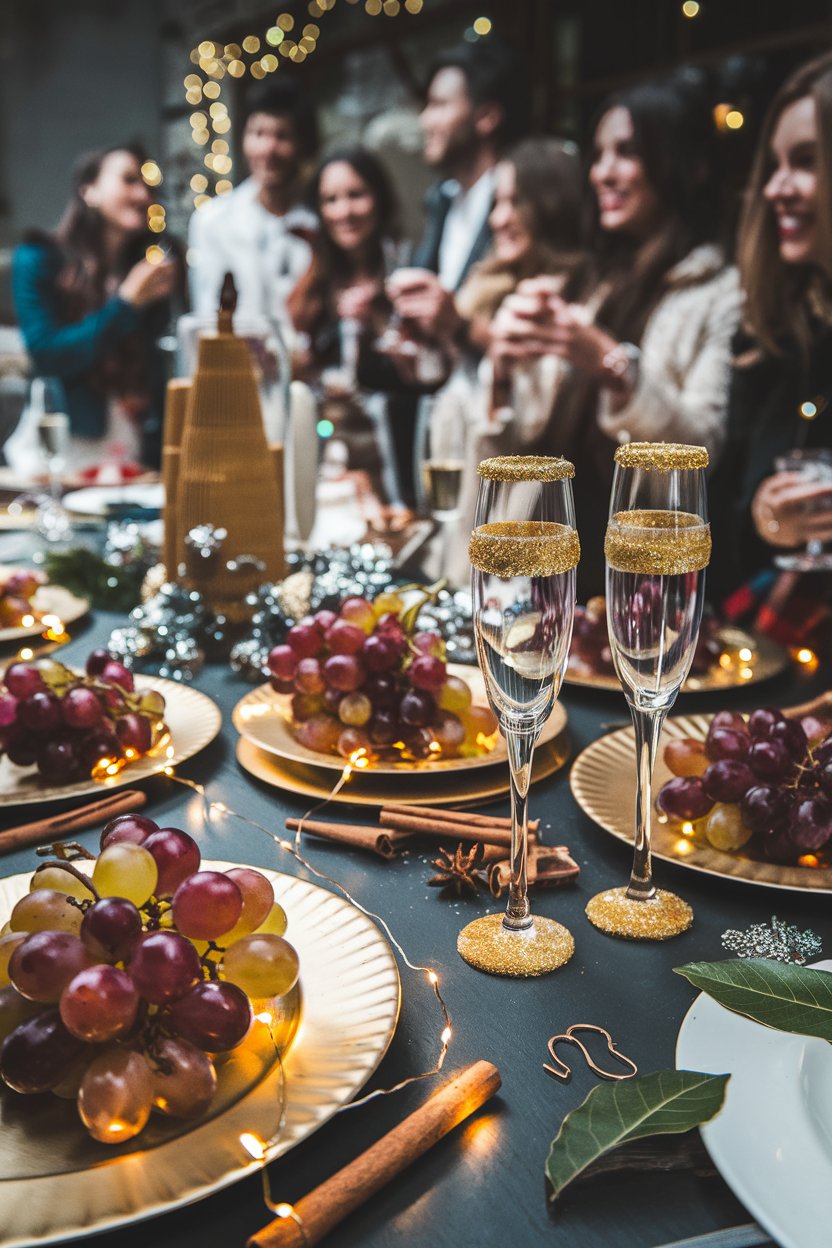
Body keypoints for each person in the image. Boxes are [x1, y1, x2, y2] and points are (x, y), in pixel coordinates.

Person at [489, 78, 741, 599]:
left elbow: (703, 451)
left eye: (627, 152)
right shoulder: (593, 279)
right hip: (549, 562)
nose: (603, 172)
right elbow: (536, 433)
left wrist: (614, 366)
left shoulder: (718, 289)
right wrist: (501, 368)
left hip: (647, 580)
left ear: (683, 164)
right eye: (599, 154)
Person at [708, 52, 832, 632]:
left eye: (805, 162)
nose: (776, 188)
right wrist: (764, 521)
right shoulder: (771, 333)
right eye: (775, 165)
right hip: (783, 653)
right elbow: (723, 517)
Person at [10, 143, 181, 471]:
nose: (143, 195)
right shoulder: (38, 258)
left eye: (147, 184)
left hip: (134, 452)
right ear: (88, 190)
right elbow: (48, 354)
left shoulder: (147, 265)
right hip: (63, 449)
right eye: (128, 180)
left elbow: (161, 365)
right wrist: (128, 303)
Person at [288, 146, 434, 511]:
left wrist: (377, 320)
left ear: (379, 199)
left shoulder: (406, 267)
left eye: (356, 195)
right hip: (332, 461)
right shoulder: (317, 274)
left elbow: (423, 376)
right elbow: (300, 358)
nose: (344, 211)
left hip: (394, 464)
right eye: (330, 200)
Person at [387, 41, 529, 346]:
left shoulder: (520, 207)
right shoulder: (440, 199)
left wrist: (458, 325)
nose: (425, 120)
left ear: (486, 117)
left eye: (439, 105)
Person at [187, 79, 318, 330]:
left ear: (302, 145)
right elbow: (205, 317)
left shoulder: (319, 222)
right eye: (258, 133)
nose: (268, 148)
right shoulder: (213, 220)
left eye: (282, 136)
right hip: (235, 365)